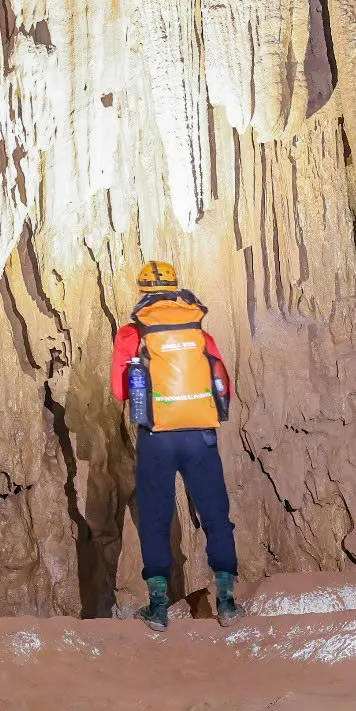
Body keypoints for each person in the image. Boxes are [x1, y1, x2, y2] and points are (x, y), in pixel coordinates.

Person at [115, 262, 242, 631]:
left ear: (142, 291)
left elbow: (120, 390)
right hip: (200, 434)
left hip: (157, 437)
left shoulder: (132, 333)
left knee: (155, 518)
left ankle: (157, 609)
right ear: (176, 288)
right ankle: (227, 602)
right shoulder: (198, 330)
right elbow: (223, 384)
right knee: (216, 516)